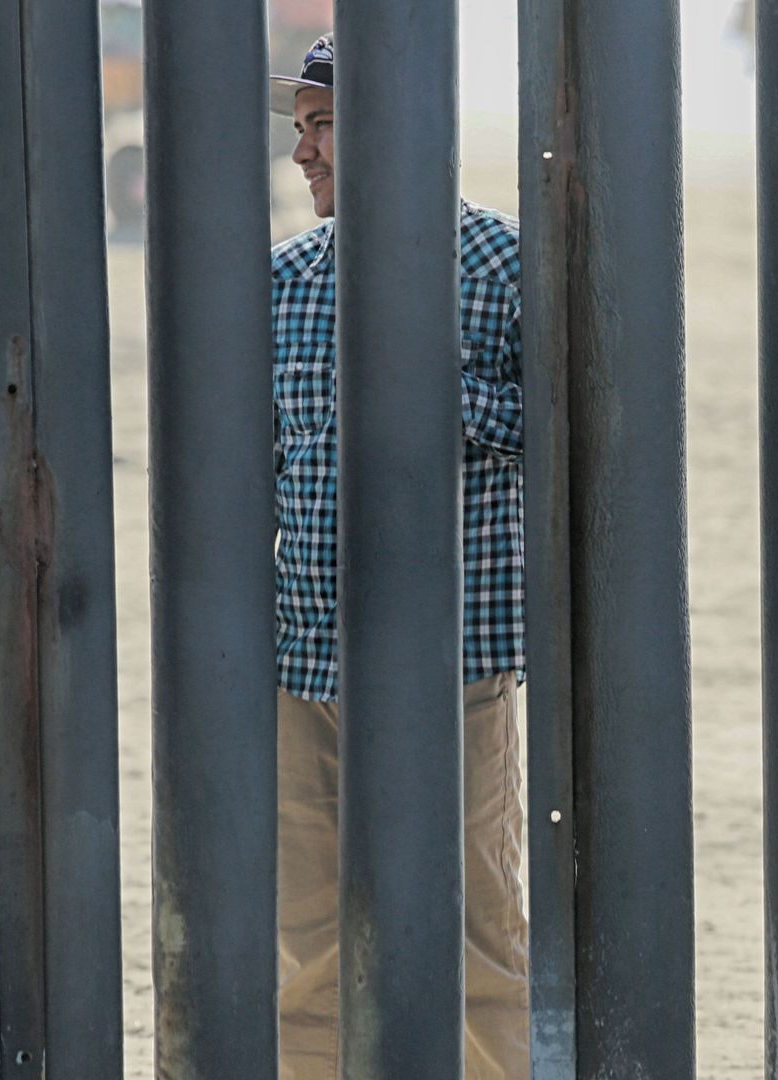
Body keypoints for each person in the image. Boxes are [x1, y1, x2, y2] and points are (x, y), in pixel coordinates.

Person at [267, 35, 530, 1080]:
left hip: (459, 661)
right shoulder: (282, 281)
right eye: (300, 130)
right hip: (307, 660)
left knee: (480, 928)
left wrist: (431, 388)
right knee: (308, 944)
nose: (303, 154)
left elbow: (571, 438)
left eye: (322, 125)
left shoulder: (502, 267)